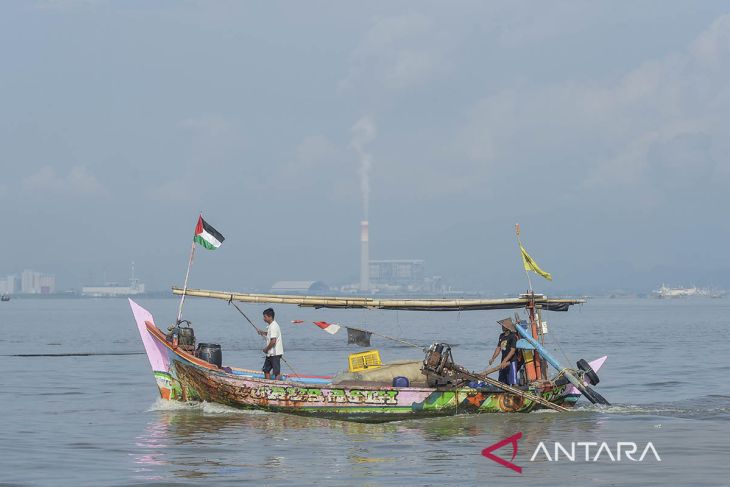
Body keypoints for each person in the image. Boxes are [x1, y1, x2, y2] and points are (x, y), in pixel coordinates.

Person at [489, 317, 518, 385]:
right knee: (501, 381)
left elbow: (512, 351)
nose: (502, 327)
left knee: (512, 381)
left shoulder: (513, 336)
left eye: (503, 325)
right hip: (503, 361)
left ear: (507, 327)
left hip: (511, 361)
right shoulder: (501, 336)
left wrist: (505, 361)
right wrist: (493, 358)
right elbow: (498, 348)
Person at [257, 307, 284, 380]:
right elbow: (270, 334)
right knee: (266, 370)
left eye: (265, 317)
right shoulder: (271, 326)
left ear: (270, 317)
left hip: (275, 353)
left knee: (276, 372)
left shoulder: (274, 326)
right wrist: (262, 332)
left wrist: (266, 349)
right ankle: (267, 384)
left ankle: (276, 385)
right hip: (270, 353)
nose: (263, 318)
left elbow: (273, 341)